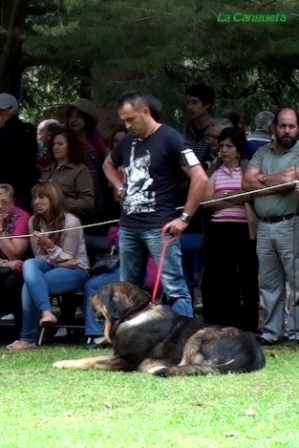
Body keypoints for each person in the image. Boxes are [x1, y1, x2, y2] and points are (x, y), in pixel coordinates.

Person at [103, 91, 208, 318]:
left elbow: (200, 177)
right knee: (127, 290)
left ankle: (183, 341)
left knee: (175, 289)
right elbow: (108, 164)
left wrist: (185, 218)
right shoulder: (128, 140)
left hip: (159, 227)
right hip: (129, 226)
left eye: (130, 119)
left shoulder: (171, 138)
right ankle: (132, 341)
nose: (127, 125)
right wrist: (120, 188)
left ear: (145, 112)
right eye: (123, 120)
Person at [6, 182, 90, 350]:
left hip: (77, 270)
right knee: (30, 263)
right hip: (53, 266)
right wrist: (58, 259)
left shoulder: (71, 221)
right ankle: (46, 311)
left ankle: (27, 338)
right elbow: (39, 257)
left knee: (30, 286)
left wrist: (49, 245)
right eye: (35, 198)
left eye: (41, 197)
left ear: (54, 199)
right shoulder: (34, 222)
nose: (36, 202)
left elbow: (71, 259)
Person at [242, 107, 299, 345]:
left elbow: (292, 181)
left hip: (291, 222)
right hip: (264, 227)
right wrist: (277, 180)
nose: (287, 130)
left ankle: (296, 332)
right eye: (283, 125)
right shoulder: (263, 152)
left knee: (296, 280)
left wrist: (262, 179)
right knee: (268, 282)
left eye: (292, 126)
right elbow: (246, 181)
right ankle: (272, 332)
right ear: (273, 128)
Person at [201, 127, 259, 332]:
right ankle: (224, 321)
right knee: (222, 277)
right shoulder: (215, 173)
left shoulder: (246, 170)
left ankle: (249, 324)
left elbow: (250, 195)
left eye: (229, 146)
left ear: (238, 149)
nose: (224, 150)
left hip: (243, 230)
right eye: (222, 146)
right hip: (219, 231)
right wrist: (232, 197)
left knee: (247, 276)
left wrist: (223, 197)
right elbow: (206, 202)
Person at [84, 226, 162, 348]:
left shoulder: (134, 231)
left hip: (148, 272)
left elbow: (116, 238)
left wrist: (120, 231)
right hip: (146, 272)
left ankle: (98, 334)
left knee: (93, 285)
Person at [66, 98, 107, 218]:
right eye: (71, 117)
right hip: (73, 196)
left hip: (94, 194)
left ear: (87, 119)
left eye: (78, 116)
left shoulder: (95, 142)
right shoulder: (64, 142)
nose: (73, 120)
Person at [41, 128, 94, 219]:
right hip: (44, 220)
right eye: (54, 144)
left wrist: (59, 204)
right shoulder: (47, 170)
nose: (55, 147)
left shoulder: (80, 170)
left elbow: (88, 202)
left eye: (60, 144)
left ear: (70, 146)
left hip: (66, 219)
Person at [0, 184, 31, 339]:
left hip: (21, 267)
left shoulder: (22, 217)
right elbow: (9, 260)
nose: (0, 206)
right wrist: (4, 264)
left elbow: (15, 253)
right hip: (4, 265)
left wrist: (0, 229)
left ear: (13, 203)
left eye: (4, 202)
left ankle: (21, 334)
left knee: (13, 284)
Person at [0, 93, 39, 212]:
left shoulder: (27, 129)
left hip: (22, 193)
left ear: (13, 110)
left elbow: (15, 153)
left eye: (2, 109)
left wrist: (2, 130)